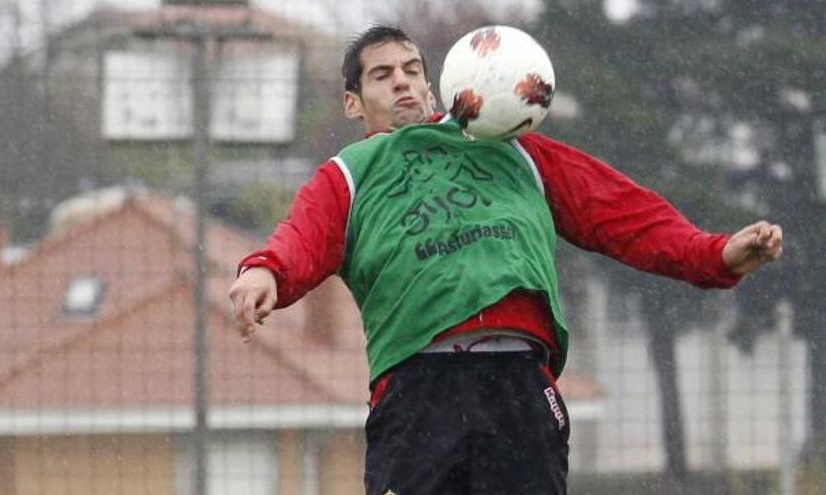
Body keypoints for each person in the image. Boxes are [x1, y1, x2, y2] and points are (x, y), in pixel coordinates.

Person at [228, 25, 783, 494]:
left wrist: (715, 254)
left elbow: (619, 212)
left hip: (518, 381)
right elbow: (300, 238)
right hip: (417, 389)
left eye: (412, 69)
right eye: (381, 74)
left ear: (435, 84)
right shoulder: (350, 174)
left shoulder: (508, 145)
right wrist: (264, 272)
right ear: (353, 103)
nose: (401, 80)